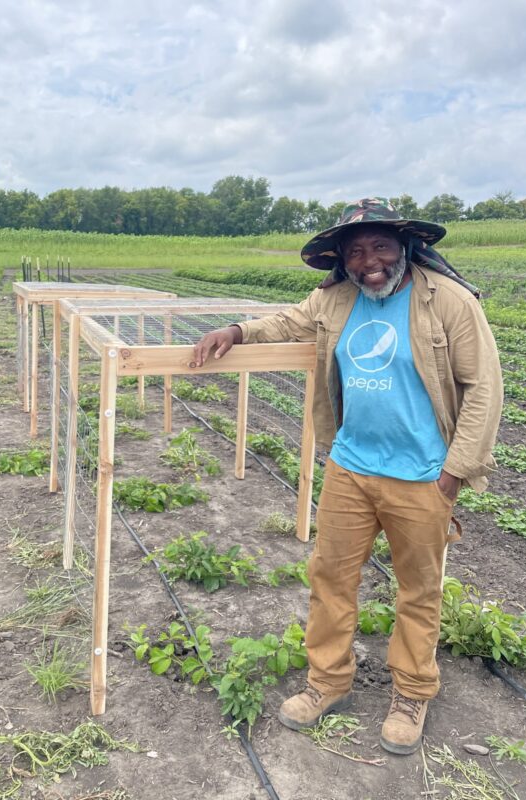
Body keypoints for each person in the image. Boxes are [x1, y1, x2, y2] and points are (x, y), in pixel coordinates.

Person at [192, 197, 503, 755]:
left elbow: (483, 387)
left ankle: (411, 693)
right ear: (342, 259)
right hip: (350, 468)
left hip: (423, 476)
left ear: (406, 247)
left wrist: (454, 474)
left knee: (418, 589)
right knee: (330, 579)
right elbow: (286, 320)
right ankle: (327, 682)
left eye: (380, 246)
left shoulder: (448, 302)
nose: (369, 261)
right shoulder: (335, 299)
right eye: (356, 251)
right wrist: (236, 331)